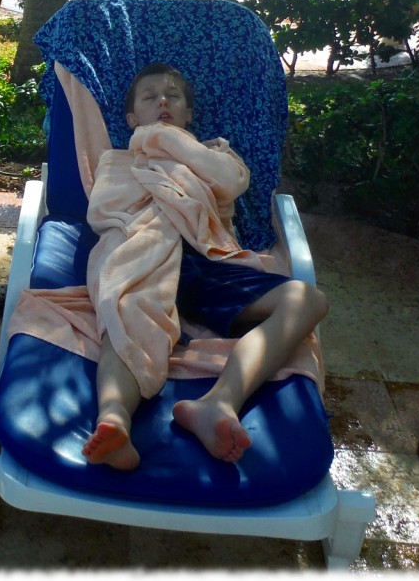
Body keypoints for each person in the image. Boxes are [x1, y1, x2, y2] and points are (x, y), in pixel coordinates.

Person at [81, 62, 329, 470]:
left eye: (173, 96)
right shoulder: (117, 160)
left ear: (189, 114)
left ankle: (217, 404)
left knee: (307, 300)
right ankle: (113, 419)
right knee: (124, 313)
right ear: (130, 119)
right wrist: (149, 147)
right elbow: (104, 212)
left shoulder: (215, 154)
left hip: (207, 261)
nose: (162, 100)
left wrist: (163, 137)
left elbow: (228, 184)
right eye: (149, 97)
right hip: (143, 252)